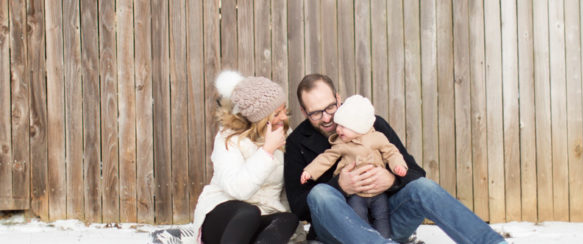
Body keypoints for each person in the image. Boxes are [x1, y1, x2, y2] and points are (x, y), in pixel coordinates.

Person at [284, 74, 507, 244]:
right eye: (316, 113)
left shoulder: (372, 124)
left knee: (424, 187)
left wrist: (391, 179)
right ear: (304, 112)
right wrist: (339, 186)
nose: (327, 118)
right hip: (338, 231)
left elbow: (416, 172)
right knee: (320, 193)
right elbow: (299, 208)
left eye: (331, 107)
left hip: (386, 223)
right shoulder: (296, 142)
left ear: (338, 98)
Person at [192, 70, 299, 244]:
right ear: (261, 118)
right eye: (277, 113)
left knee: (288, 220)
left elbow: (287, 188)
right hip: (224, 214)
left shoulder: (284, 135)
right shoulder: (228, 138)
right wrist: (267, 151)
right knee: (249, 213)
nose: (284, 117)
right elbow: (238, 189)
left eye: (284, 110)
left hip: (264, 211)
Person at [300, 94, 408, 239]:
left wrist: (398, 167)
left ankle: (385, 241)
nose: (338, 130)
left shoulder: (377, 138)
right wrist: (310, 171)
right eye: (338, 125)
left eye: (343, 126)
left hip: (378, 193)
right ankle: (365, 240)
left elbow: (392, 153)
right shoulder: (341, 143)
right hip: (355, 195)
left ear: (359, 126)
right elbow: (326, 158)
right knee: (358, 218)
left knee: (382, 217)